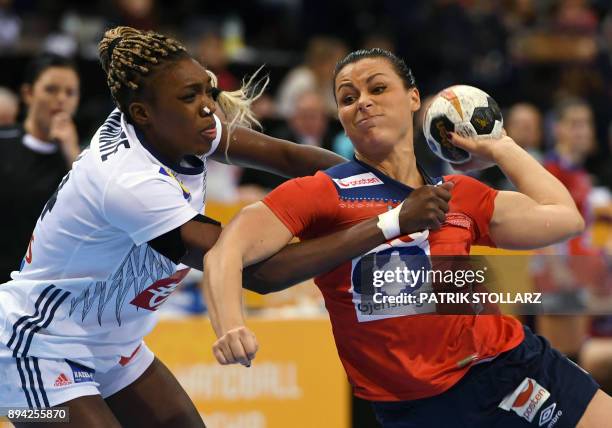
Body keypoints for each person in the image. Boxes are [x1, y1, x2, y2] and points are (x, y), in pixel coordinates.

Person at [0, 29, 453, 428]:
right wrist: (391, 220)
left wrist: (388, 186)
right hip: (36, 346)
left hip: (113, 345)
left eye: (207, 91)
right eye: (189, 98)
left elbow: (289, 158)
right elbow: (256, 272)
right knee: (42, 417)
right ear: (142, 113)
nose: (206, 109)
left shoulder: (177, 126)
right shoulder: (129, 182)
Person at [203, 48, 612, 427]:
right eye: (348, 98)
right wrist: (230, 325)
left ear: (414, 99)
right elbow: (227, 251)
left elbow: (564, 218)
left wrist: (501, 146)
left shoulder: (458, 193)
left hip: (509, 363)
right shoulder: (323, 192)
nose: (362, 101)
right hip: (419, 407)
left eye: (378, 88)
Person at [0, 53, 81, 283]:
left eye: (70, 92)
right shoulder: (4, 143)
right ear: (28, 93)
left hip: (48, 291)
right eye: (51, 89)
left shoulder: (85, 159)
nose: (61, 99)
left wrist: (71, 151)